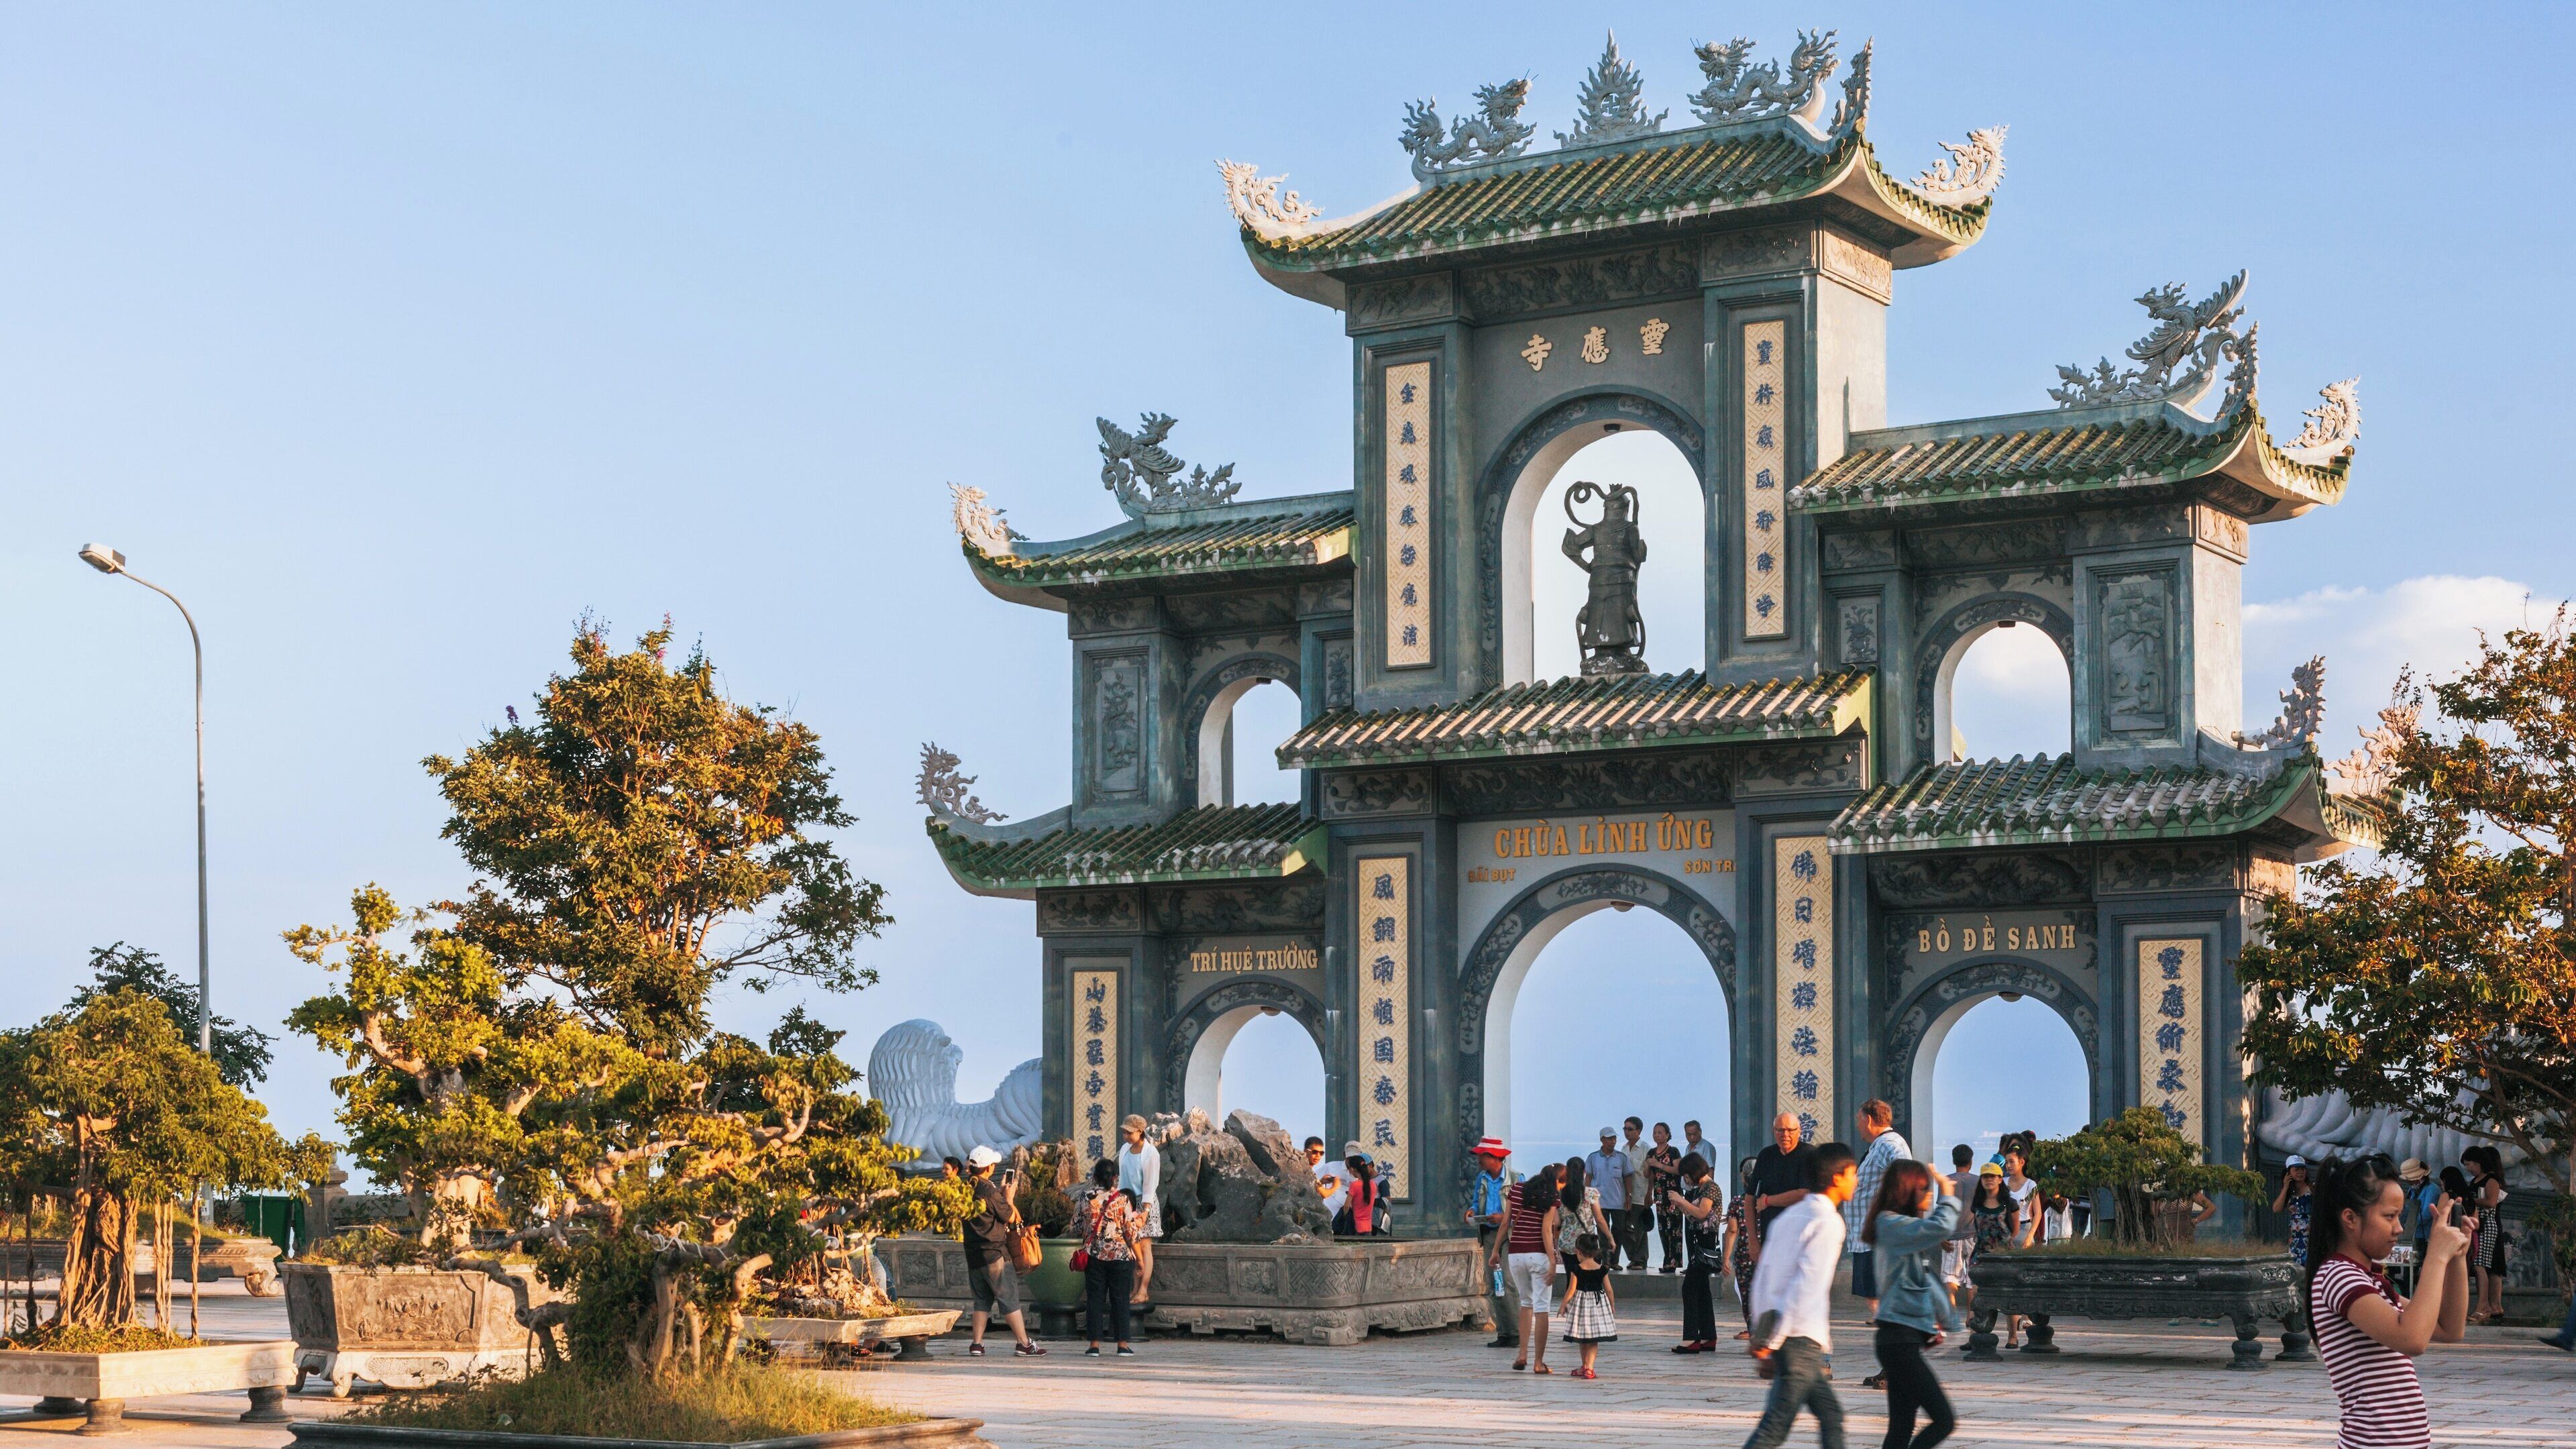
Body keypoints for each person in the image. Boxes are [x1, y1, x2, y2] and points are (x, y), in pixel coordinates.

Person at [2310, 1153, 2470, 1449]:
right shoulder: (2339, 1276)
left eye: (2399, 1216)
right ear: (2350, 1218)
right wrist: (2436, 1255)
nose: (2399, 1228)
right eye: (2389, 1216)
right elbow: (2413, 1340)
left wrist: (2456, 1257)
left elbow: (2450, 1328)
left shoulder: (2367, 1279)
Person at [1744, 1141, 1860, 1449]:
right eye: (1853, 1174)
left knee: (1831, 1417)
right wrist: (1772, 1341)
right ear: (1837, 1178)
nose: (1856, 1181)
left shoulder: (1789, 1217)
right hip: (1799, 1339)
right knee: (1774, 1429)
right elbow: (1806, 1286)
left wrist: (1763, 1333)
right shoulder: (1828, 1222)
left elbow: (1763, 1278)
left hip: (1790, 1338)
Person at [1865, 1160, 1962, 1449]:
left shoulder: (1901, 1230)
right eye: (1925, 1189)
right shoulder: (1891, 1224)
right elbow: (1941, 1226)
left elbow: (1925, 1283)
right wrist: (1947, 1192)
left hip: (1901, 1341)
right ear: (1907, 1190)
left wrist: (1938, 1321)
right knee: (1944, 1421)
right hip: (1898, 1343)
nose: (1930, 1195)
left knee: (1901, 1429)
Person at [961, 1146, 1044, 1358]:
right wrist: (1009, 1197)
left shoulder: (965, 1189)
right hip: (995, 1253)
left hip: (974, 1254)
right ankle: (1024, 1343)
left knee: (981, 1300)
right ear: (989, 1168)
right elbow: (1010, 1217)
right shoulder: (989, 1191)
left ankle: (977, 1344)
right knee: (1009, 1298)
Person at [1489, 1162, 1562, 1373]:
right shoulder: (1552, 1196)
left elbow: (1505, 1223)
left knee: (1525, 1303)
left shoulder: (1517, 1189)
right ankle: (1538, 1363)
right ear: (1557, 1181)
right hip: (1538, 1254)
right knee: (1542, 1308)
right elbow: (1546, 1230)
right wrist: (1552, 1261)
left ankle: (1522, 1354)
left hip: (1516, 1254)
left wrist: (1495, 1251)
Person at [1845, 1099, 1909, 1328]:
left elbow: (1906, 1179)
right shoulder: (1879, 1145)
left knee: (1880, 1280)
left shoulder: (1890, 1144)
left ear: (1869, 1119)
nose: (1858, 1126)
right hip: (1866, 1230)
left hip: (1879, 1230)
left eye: (1859, 1120)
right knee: (1871, 1285)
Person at [1077, 1158, 1143, 1356]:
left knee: (1094, 1300)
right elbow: (1130, 1232)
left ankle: (1094, 1345)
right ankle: (1122, 1345)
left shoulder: (1085, 1197)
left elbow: (1076, 1225)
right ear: (1115, 1177)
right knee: (1120, 1300)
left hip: (1094, 1256)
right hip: (1120, 1256)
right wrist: (1140, 1259)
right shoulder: (1122, 1199)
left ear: (1095, 1177)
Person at [1666, 1152, 1723, 1352]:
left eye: (1687, 1175)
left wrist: (1681, 1201)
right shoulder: (1699, 1189)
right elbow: (1693, 1215)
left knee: (1690, 1288)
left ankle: (1691, 1338)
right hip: (1698, 1243)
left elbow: (1702, 1213)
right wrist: (1681, 1204)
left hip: (1704, 1243)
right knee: (1702, 1290)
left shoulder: (1710, 1187)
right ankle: (1708, 1336)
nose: (1686, 1180)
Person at [1466, 1136, 1516, 1348]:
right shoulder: (1482, 1178)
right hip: (1488, 1235)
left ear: (1495, 1157)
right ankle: (1504, 1332)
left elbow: (1524, 1210)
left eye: (1482, 1156)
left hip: (1509, 1236)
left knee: (1508, 1282)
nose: (1479, 1160)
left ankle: (1516, 1331)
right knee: (1495, 1284)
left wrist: (1504, 1217)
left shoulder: (1516, 1178)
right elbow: (1476, 1202)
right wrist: (1472, 1211)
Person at [1559, 1232, 1619, 1379]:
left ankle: (1585, 1365)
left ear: (1578, 1252)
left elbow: (1571, 1290)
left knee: (1583, 1338)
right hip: (1598, 1306)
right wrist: (1612, 1305)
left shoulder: (1576, 1269)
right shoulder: (1602, 1269)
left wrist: (1563, 1305)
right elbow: (1609, 1290)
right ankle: (1590, 1368)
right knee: (1594, 1340)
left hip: (1581, 1307)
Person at [1965, 1163, 2016, 1329]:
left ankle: (2013, 1336)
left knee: (2009, 1296)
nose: (1989, 1180)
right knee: (1976, 1292)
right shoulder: (1977, 1204)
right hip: (1981, 1254)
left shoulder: (2009, 1203)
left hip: (2004, 1255)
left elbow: (2015, 1229)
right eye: (1985, 1177)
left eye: (1992, 1176)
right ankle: (1975, 1333)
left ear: (2000, 1179)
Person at [1117, 1116, 1161, 1305]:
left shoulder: (1150, 1153)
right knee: (1132, 1246)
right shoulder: (1125, 1150)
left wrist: (1146, 1210)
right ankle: (1135, 1288)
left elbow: (1151, 1182)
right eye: (1124, 1132)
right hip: (1128, 1202)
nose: (1126, 1136)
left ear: (1140, 1131)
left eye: (1129, 1132)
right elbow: (1122, 1179)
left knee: (1144, 1246)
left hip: (1145, 1202)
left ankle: (1144, 1289)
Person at [2461, 1145, 2508, 1323]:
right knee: (2479, 1265)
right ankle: (2488, 1306)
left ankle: (2484, 1306)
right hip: (2476, 1226)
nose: (2468, 1168)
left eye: (2469, 1164)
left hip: (2487, 1226)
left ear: (2479, 1162)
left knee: (2481, 1265)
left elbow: (2491, 1202)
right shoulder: (2476, 1180)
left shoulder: (2491, 1179)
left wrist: (2471, 1200)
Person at [1750, 1114, 1818, 1236]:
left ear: (1799, 1131)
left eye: (1791, 1130)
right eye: (1780, 1130)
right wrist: (1753, 1239)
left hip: (1802, 1234)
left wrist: (1767, 1201)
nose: (1785, 1135)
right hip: (1771, 1234)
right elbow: (1750, 1196)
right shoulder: (1766, 1155)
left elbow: (1804, 1194)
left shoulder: (1810, 1155)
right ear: (1774, 1131)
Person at [1585, 1130, 1633, 1269]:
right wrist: (1587, 1198)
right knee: (1602, 1232)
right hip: (1599, 1202)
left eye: (1614, 1139)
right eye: (1609, 1139)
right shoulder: (1593, 1158)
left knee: (1619, 1231)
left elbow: (1628, 1178)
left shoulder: (1621, 1158)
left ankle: (1614, 1261)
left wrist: (1629, 1196)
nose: (1613, 1141)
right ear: (1602, 1139)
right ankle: (1605, 1261)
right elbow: (1588, 1177)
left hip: (1618, 1202)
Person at [1727, 1157, 1763, 1336]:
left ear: (1743, 1177)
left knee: (1748, 1296)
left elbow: (1732, 1230)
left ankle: (1754, 1331)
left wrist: (1726, 1258)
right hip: (1767, 1253)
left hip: (1744, 1255)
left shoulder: (1737, 1202)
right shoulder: (1768, 1201)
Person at [1558, 1157, 1612, 1275]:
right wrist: (1610, 1237)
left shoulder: (1561, 1194)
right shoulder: (1591, 1193)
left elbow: (1557, 1223)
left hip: (1566, 1245)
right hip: (1587, 1244)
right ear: (1584, 1172)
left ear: (1567, 1173)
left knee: (1571, 1278)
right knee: (1591, 1279)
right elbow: (1600, 1220)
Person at [1940, 1144, 1977, 1311]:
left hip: (1951, 1237)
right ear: (1971, 1161)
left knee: (1950, 1277)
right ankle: (1971, 1317)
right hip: (1973, 1236)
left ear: (1954, 1161)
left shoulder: (1946, 1182)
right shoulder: (1978, 1182)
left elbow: (1943, 1212)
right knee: (1973, 1279)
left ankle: (1952, 1315)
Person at [1644, 1123, 1684, 1273]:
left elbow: (1678, 1170)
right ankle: (1667, 1260)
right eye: (1654, 1133)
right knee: (1663, 1230)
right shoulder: (1651, 1153)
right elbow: (1647, 1175)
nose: (1656, 1135)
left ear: (1667, 1135)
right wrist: (1649, 1165)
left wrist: (1659, 1165)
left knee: (1674, 1229)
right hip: (1659, 1196)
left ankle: (1673, 1262)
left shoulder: (1673, 1151)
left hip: (1673, 1195)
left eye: (1660, 1132)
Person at [1617, 1118, 1654, 1270]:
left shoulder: (1646, 1149)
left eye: (1630, 1129)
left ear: (1639, 1131)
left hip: (1641, 1194)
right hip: (1626, 1195)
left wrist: (1649, 1194)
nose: (1627, 1132)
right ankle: (1634, 1256)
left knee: (1640, 1229)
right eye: (1625, 1129)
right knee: (1622, 1227)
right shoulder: (1624, 1149)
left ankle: (1640, 1260)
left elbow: (1651, 1174)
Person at [2275, 1155, 2316, 1273]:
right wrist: (2285, 1187)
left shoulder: (2312, 1188)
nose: (2300, 1172)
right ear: (2289, 1172)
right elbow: (2277, 1208)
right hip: (2296, 1239)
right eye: (2296, 1169)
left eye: (2302, 1169)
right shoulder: (2290, 1192)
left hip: (2311, 1237)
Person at [1336, 1151, 1389, 1235]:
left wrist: (1345, 1217)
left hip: (1356, 1225)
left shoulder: (1355, 1185)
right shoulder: (1373, 1184)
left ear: (1352, 1169)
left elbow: (1346, 1206)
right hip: (1369, 1226)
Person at [1308, 1137, 1346, 1218]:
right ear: (1306, 1151)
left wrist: (1321, 1182)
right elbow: (1324, 1194)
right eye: (1315, 1152)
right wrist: (1336, 1186)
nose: (1318, 1156)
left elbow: (1311, 1185)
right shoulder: (1308, 1172)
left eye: (1321, 1153)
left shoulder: (1311, 1174)